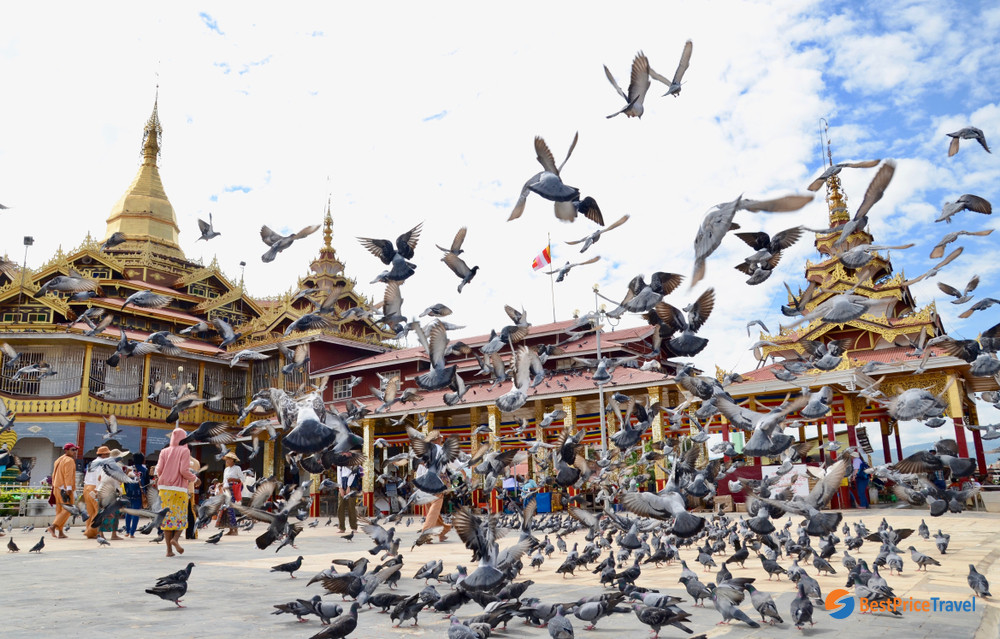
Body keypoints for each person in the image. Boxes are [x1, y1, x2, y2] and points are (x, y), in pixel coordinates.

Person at [156, 428, 198, 557]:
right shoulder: (184, 450)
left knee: (167, 519)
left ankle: (169, 551)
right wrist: (195, 479)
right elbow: (184, 470)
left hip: (164, 490)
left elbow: (158, 470)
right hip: (179, 490)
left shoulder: (164, 451)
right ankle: (175, 540)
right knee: (181, 517)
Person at [48, 443, 78, 539]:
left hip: (57, 487)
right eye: (73, 450)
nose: (75, 452)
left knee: (60, 510)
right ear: (67, 450)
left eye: (75, 450)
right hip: (64, 489)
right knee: (68, 509)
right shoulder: (69, 460)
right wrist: (68, 488)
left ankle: (60, 532)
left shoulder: (59, 459)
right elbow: (68, 475)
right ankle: (53, 526)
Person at [83, 446, 114, 539]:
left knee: (90, 511)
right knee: (98, 512)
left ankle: (90, 532)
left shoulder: (92, 462)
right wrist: (98, 491)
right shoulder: (102, 463)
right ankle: (93, 532)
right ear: (103, 454)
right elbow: (99, 478)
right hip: (95, 488)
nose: (108, 455)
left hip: (87, 487)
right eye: (108, 454)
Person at [417, 462, 451, 542]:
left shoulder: (422, 461)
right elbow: (453, 465)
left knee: (432, 513)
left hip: (425, 489)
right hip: (436, 488)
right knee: (433, 512)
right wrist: (463, 473)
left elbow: (418, 476)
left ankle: (442, 532)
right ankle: (425, 533)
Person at [217, 451, 244, 536]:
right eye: (226, 460)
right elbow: (225, 481)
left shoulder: (237, 468)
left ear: (232, 460)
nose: (226, 461)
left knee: (230, 509)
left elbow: (242, 480)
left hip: (232, 489)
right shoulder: (226, 469)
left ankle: (234, 528)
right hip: (226, 490)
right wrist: (221, 484)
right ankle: (231, 528)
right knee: (227, 509)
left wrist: (233, 479)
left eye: (228, 460)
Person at [123, 452, 149, 538]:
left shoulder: (129, 469)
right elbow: (147, 483)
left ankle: (127, 531)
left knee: (128, 512)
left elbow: (124, 482)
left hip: (129, 493)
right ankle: (132, 533)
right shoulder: (144, 470)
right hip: (139, 494)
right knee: (136, 512)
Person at [337, 464, 360, 533]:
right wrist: (340, 487)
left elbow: (353, 474)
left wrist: (348, 486)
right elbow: (339, 474)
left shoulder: (354, 461)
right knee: (340, 507)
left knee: (351, 507)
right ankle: (341, 527)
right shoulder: (339, 462)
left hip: (352, 485)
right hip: (342, 484)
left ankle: (353, 527)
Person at [186, 455, 201, 540]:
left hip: (180, 489)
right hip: (190, 489)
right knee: (191, 513)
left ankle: (173, 533)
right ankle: (191, 534)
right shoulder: (196, 462)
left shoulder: (179, 458)